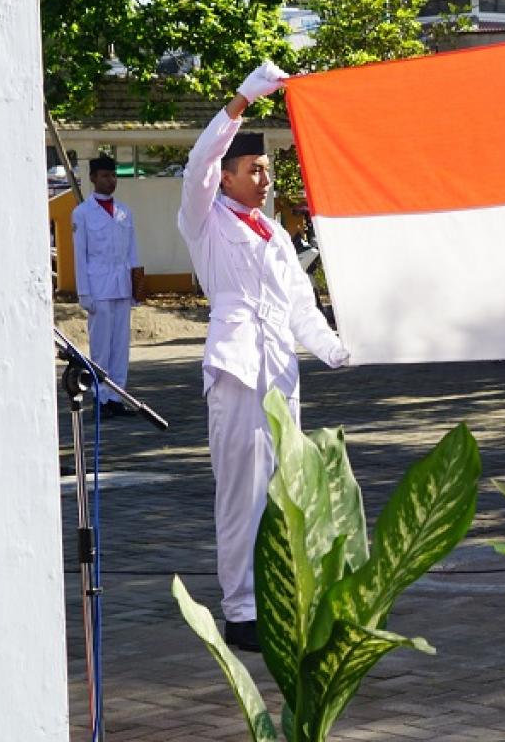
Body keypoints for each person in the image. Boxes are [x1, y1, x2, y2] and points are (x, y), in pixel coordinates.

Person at [177, 61, 350, 652]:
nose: (266, 179)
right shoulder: (203, 221)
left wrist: (335, 351)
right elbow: (197, 162)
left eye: (269, 169)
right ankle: (241, 609)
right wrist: (242, 99)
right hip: (235, 369)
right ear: (225, 178)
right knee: (240, 492)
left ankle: (277, 597)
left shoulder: (274, 235)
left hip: (280, 371)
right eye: (254, 169)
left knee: (284, 490)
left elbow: (301, 307)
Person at [72, 154, 144, 418]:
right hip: (98, 287)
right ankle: (100, 399)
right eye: (104, 175)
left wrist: (137, 287)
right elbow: (81, 255)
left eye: (113, 175)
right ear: (92, 178)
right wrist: (84, 292)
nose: (110, 180)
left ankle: (117, 396)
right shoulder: (82, 213)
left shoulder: (125, 212)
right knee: (101, 346)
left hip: (122, 285)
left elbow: (132, 251)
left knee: (121, 345)